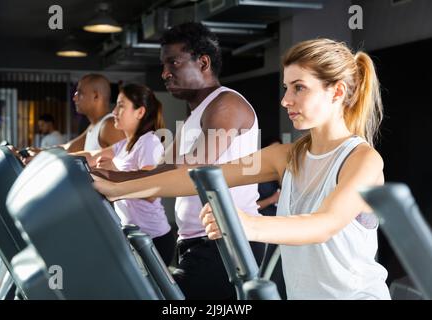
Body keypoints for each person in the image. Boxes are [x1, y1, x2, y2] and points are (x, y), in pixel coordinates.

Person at [93, 38, 391, 300]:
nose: (286, 100)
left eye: (299, 87)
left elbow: (324, 225)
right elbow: (194, 178)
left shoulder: (363, 160)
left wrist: (245, 224)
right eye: (286, 87)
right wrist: (117, 188)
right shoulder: (287, 157)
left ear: (337, 92)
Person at [92, 22, 264, 300]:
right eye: (163, 65)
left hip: (225, 243)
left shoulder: (226, 105)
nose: (164, 73)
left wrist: (115, 182)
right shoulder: (195, 114)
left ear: (203, 62)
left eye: (173, 62)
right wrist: (108, 177)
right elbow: (165, 170)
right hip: (195, 241)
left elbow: (191, 172)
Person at [72, 83, 175, 266]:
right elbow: (91, 156)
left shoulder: (149, 142)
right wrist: (51, 157)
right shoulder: (124, 145)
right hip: (133, 236)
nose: (114, 112)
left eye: (121, 106)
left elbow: (151, 192)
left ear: (140, 112)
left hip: (153, 239)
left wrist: (114, 172)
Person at [256, 137, 282, 217]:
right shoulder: (256, 176)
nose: (277, 154)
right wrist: (272, 199)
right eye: (273, 151)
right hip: (265, 222)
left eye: (280, 150)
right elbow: (247, 208)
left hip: (285, 222)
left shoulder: (287, 170)